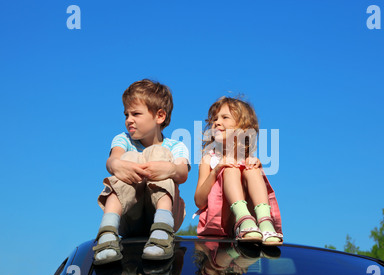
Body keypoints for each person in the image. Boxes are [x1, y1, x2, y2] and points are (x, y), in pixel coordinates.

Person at [93, 79, 190, 265]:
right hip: (130, 217)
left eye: (136, 113)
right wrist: (116, 165)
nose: (129, 119)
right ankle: (107, 232)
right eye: (126, 114)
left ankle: (162, 231)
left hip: (167, 214)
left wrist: (168, 168)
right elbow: (113, 159)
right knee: (127, 159)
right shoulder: (123, 140)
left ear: (159, 116)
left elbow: (182, 173)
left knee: (159, 154)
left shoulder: (176, 146)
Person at [194, 97, 282, 245]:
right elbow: (199, 202)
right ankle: (243, 219)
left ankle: (265, 222)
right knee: (230, 169)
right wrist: (216, 171)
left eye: (225, 117)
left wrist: (258, 168)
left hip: (248, 228)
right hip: (219, 223)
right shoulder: (209, 160)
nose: (217, 122)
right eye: (215, 119)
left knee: (252, 170)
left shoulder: (249, 161)